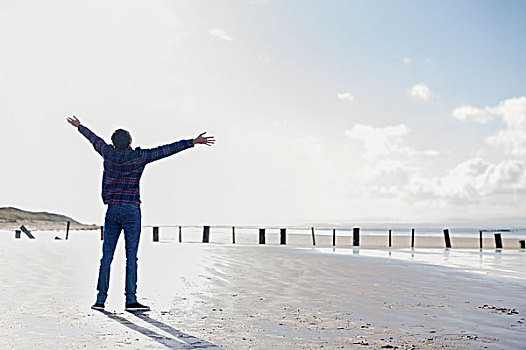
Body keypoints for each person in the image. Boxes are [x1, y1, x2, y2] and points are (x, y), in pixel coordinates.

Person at [66, 116, 215, 311]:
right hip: (131, 210)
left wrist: (79, 127)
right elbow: (165, 150)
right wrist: (192, 142)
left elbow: (94, 139)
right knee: (131, 256)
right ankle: (130, 300)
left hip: (112, 210)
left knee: (106, 256)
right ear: (130, 142)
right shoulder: (139, 157)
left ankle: (100, 300)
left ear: (113, 143)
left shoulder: (108, 154)